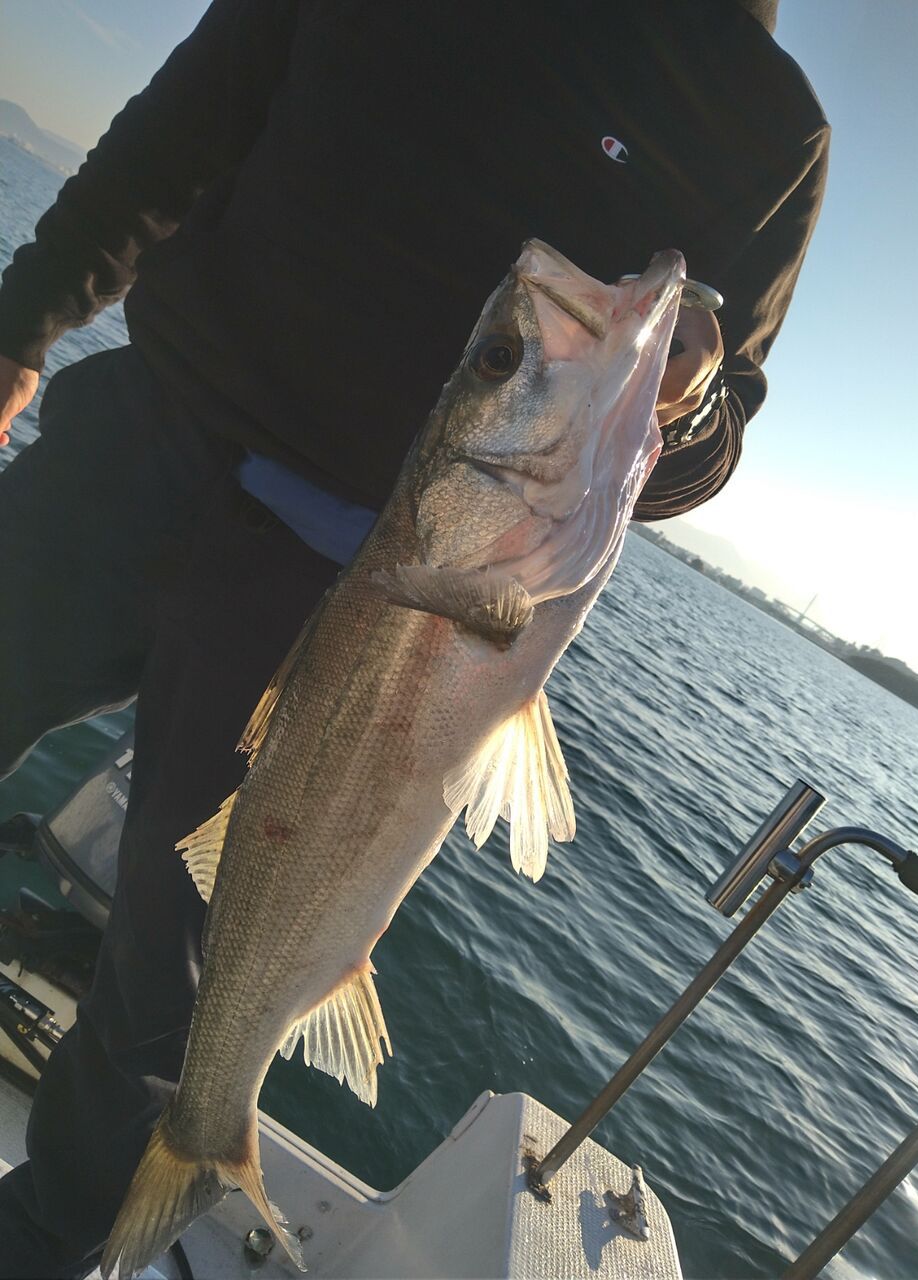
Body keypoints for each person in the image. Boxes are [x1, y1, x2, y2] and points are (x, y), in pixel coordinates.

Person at [0, 0, 828, 1273]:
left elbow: (707, 443)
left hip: (356, 599)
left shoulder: (768, 126)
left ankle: (51, 1235)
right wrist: (24, 318)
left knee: (173, 985)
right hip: (148, 427)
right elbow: (192, 118)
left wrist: (687, 389)